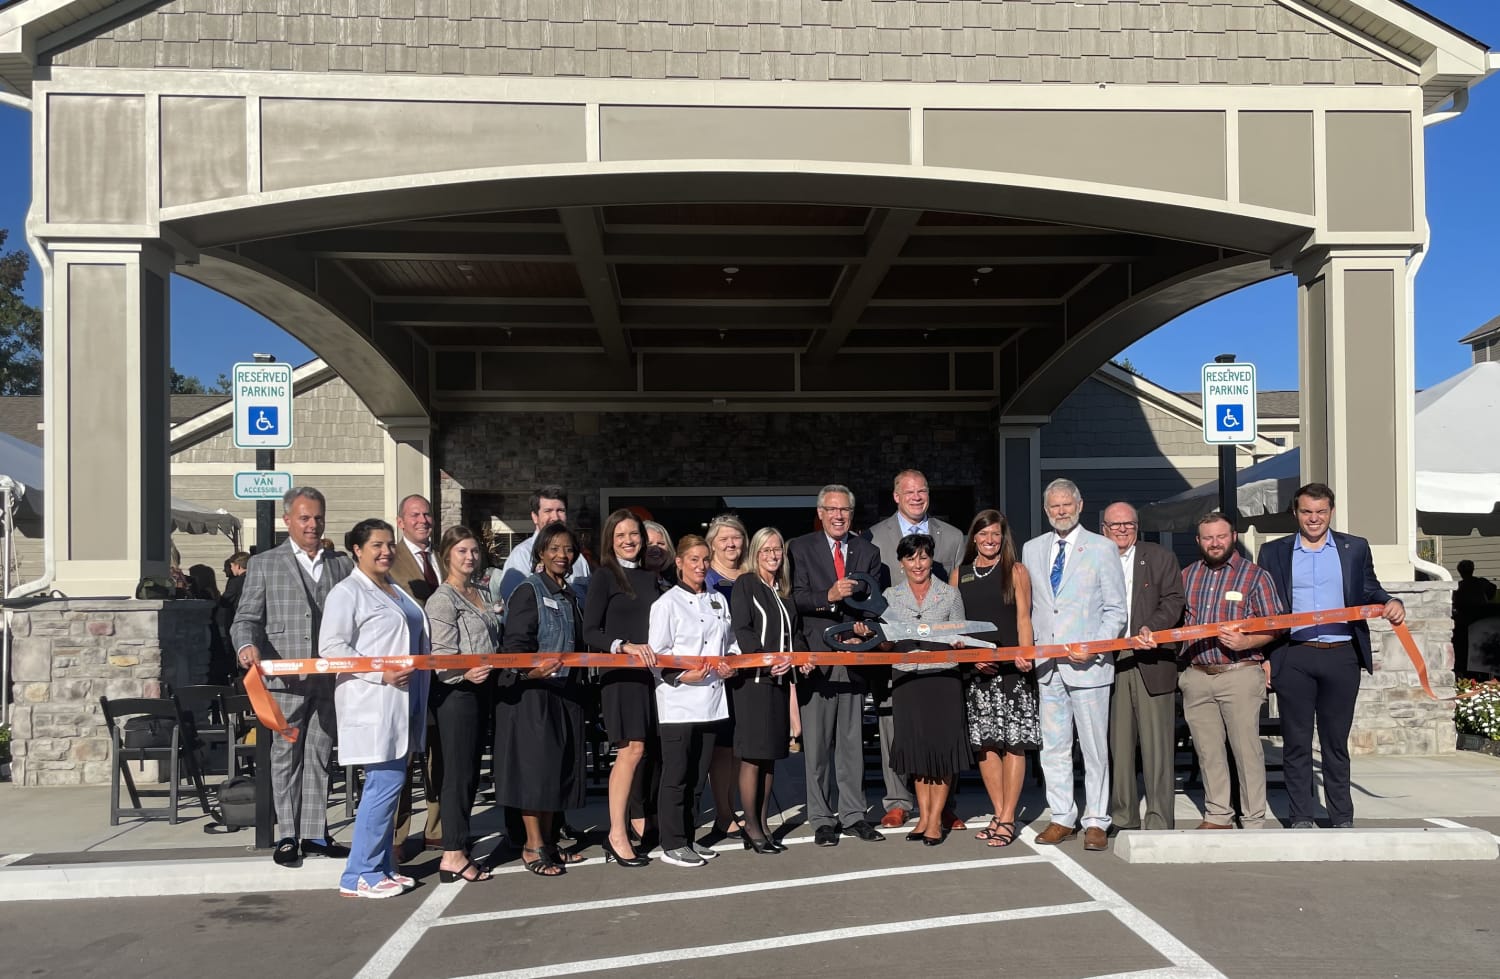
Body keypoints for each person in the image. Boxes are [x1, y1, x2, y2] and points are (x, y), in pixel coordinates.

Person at [1258, 484, 1405, 828]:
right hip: (1292, 655)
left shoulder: (1354, 548)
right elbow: (1264, 606)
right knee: (1295, 742)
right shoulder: (1273, 552)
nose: (1314, 518)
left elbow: (1369, 586)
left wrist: (1390, 601)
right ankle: (1301, 816)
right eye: (1307, 511)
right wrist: (1265, 656)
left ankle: (1341, 816)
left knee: (1335, 742)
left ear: (1331, 512)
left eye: (1321, 511)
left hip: (1342, 654)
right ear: (1296, 513)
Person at [232, 487, 354, 867]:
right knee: (285, 755)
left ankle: (315, 832)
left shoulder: (342, 564)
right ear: (288, 521)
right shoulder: (265, 564)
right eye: (304, 518)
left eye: (318, 517)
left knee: (320, 753)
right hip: (284, 680)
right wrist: (245, 647)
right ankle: (288, 833)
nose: (312, 525)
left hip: (328, 678)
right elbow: (245, 618)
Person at [1143, 511, 1281, 829]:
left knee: (1246, 751)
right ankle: (1219, 814)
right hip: (1197, 675)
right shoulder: (1187, 576)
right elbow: (1173, 620)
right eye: (1208, 537)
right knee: (1207, 750)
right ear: (1198, 541)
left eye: (1221, 536)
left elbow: (1275, 625)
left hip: (1240, 674)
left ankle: (1253, 818)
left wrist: (1247, 641)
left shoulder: (1256, 576)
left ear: (1233, 537)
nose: (1215, 543)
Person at [319, 518, 430, 899]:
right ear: (357, 550)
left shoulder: (394, 588)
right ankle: (359, 873)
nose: (386, 551)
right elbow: (332, 648)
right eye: (376, 546)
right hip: (375, 701)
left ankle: (381, 865)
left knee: (393, 784)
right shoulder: (347, 592)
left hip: (405, 699)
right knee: (383, 786)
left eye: (389, 545)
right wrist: (379, 674)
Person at [1023, 478, 1127, 852]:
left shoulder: (1102, 548)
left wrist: (1096, 646)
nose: (1061, 511)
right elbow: (1035, 609)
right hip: (1048, 665)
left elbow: (1117, 610)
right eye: (1054, 506)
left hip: (1089, 666)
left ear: (1080, 505)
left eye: (1066, 505)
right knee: (1053, 747)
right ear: (1046, 509)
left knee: (1094, 747)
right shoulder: (1032, 549)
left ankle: (1097, 819)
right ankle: (1062, 815)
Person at [788, 484, 886, 847]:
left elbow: (875, 604)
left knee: (851, 745)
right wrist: (828, 598)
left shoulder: (868, 551)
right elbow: (794, 600)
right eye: (831, 509)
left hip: (854, 658)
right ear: (820, 513)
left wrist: (865, 630)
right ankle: (821, 818)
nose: (838, 516)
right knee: (816, 747)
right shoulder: (799, 548)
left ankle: (855, 814)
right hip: (817, 658)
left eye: (844, 510)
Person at [868, 469, 966, 830]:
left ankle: (945, 807)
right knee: (898, 729)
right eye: (908, 491)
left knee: (940, 733)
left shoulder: (953, 537)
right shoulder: (874, 537)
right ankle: (897, 800)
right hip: (899, 654)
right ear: (896, 496)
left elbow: (958, 599)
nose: (916, 496)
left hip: (941, 661)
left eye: (922, 490)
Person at [493, 521, 590, 877]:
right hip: (532, 696)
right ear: (540, 554)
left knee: (556, 771)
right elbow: (513, 649)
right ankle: (532, 845)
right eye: (554, 549)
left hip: (565, 693)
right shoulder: (527, 591)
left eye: (567, 549)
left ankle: (549, 841)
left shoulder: (572, 595)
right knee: (535, 773)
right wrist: (530, 673)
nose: (562, 556)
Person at [581, 509, 666, 869]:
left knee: (643, 751)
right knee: (630, 750)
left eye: (633, 534)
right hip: (620, 676)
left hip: (651, 677)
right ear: (610, 541)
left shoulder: (651, 578)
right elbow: (590, 632)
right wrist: (623, 645)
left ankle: (634, 821)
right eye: (620, 536)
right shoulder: (603, 577)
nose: (629, 540)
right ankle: (616, 833)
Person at [648, 535, 738, 868]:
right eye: (694, 560)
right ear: (680, 563)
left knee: (699, 776)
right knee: (677, 775)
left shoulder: (718, 600)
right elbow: (658, 658)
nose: (700, 566)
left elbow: (729, 644)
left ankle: (689, 837)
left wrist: (729, 662)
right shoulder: (666, 604)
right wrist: (685, 677)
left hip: (712, 701)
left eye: (705, 560)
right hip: (678, 702)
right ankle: (671, 843)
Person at [951, 509, 1038, 848]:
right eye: (983, 534)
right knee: (986, 745)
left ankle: (1007, 817)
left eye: (996, 535)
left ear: (1004, 539)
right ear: (974, 538)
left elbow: (1023, 619)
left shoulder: (1016, 571)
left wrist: (1025, 653)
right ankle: (1000, 813)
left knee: (1013, 744)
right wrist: (972, 658)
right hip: (978, 672)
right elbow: (956, 627)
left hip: (1013, 670)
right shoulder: (959, 575)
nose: (989, 540)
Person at [1101, 502, 1186, 832]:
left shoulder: (1160, 556)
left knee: (1157, 747)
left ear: (1137, 527)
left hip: (1152, 659)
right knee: (1119, 747)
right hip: (1111, 661)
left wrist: (1152, 626)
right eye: (1115, 525)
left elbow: (1174, 600)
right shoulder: (1095, 559)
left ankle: (1159, 817)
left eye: (1129, 524)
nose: (1122, 530)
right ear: (1103, 528)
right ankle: (1123, 815)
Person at [881, 533, 971, 846]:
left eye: (923, 557)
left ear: (931, 559)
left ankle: (935, 820)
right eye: (911, 558)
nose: (918, 564)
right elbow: (886, 640)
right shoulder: (890, 596)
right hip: (908, 680)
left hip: (942, 679)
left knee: (941, 752)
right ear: (901, 563)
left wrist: (958, 640)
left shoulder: (950, 595)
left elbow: (960, 634)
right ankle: (923, 815)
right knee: (918, 753)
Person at [423, 525, 499, 884]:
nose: (469, 557)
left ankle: (459, 843)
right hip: (457, 696)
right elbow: (441, 658)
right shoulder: (443, 598)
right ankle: (452, 854)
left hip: (483, 693)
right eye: (461, 552)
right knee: (456, 774)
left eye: (473, 551)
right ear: (446, 556)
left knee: (470, 774)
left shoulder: (479, 592)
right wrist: (464, 675)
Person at [728, 527, 800, 854]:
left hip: (781, 684)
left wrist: (799, 660)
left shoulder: (783, 591)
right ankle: (752, 826)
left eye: (777, 550)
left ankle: (764, 820)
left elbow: (794, 635)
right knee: (753, 756)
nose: (773, 555)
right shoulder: (746, 584)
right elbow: (742, 628)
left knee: (770, 756)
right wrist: (767, 661)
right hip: (754, 684)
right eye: (766, 550)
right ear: (755, 553)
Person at [385, 493, 443, 858]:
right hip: (406, 673)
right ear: (400, 521)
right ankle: (396, 834)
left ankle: (436, 827)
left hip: (441, 671)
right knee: (402, 756)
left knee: (440, 753)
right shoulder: (390, 559)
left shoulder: (440, 557)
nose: (423, 520)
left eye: (427, 514)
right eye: (415, 515)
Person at [703, 513, 749, 841]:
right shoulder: (705, 580)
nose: (731, 544)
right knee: (722, 748)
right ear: (712, 545)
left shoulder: (753, 576)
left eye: (736, 538)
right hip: (718, 675)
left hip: (751, 674)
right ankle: (723, 811)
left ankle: (737, 806)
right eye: (724, 539)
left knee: (742, 747)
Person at [495, 486, 593, 605]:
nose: (555, 517)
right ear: (535, 517)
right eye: (548, 511)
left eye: (560, 511)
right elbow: (517, 605)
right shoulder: (522, 555)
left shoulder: (579, 559)